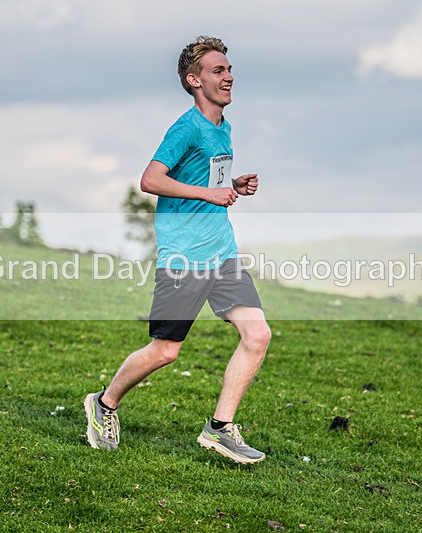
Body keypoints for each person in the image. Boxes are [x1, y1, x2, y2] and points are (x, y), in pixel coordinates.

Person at [84, 35, 271, 464]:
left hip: (221, 252)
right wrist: (209, 195)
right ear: (194, 80)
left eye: (229, 69)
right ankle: (104, 403)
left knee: (257, 334)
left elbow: (202, 179)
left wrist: (231, 185)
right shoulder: (186, 127)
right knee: (166, 351)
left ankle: (219, 429)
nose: (229, 76)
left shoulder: (223, 127)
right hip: (185, 257)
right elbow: (150, 179)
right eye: (218, 70)